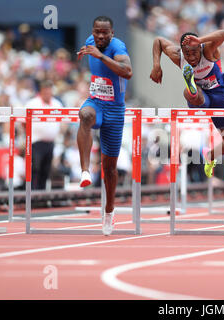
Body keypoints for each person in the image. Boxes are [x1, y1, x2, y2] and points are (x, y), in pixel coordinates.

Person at [150, 30, 224, 178]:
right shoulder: (178, 56)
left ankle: (210, 156)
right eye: (187, 54)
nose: (191, 58)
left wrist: (200, 40)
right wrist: (156, 65)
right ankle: (190, 87)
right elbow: (158, 40)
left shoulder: (208, 50)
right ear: (182, 52)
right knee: (192, 94)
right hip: (201, 98)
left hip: (219, 95)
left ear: (200, 47)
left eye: (194, 53)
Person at [77, 16, 133, 236]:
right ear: (93, 30)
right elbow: (89, 55)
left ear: (112, 32)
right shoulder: (90, 40)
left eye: (104, 33)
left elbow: (127, 71)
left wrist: (100, 55)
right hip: (96, 102)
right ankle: (84, 171)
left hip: (115, 110)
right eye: (97, 32)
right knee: (85, 114)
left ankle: (109, 211)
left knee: (110, 169)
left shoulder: (117, 46)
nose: (100, 36)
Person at [25, 80, 64, 190]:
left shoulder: (57, 104)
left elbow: (62, 122)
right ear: (41, 91)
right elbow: (23, 121)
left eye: (49, 91)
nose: (48, 93)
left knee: (46, 170)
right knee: (35, 169)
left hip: (50, 142)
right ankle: (31, 193)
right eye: (45, 91)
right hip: (36, 142)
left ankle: (41, 195)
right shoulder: (32, 103)